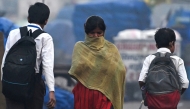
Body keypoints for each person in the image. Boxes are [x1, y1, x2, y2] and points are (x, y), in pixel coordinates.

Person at [1, 2, 56, 109]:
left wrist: (5, 82)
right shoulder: (46, 38)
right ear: (46, 20)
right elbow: (48, 66)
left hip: (12, 81)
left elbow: (5, 59)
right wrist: (51, 90)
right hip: (34, 85)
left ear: (28, 17)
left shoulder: (14, 33)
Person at [68, 15, 126, 109]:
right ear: (87, 33)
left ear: (103, 33)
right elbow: (76, 68)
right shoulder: (80, 47)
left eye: (99, 33)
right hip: (85, 95)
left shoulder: (111, 49)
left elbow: (120, 71)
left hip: (105, 96)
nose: (96, 36)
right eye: (92, 33)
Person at [138, 28, 189, 109]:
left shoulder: (149, 59)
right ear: (172, 43)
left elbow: (141, 80)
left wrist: (145, 93)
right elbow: (185, 83)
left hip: (153, 99)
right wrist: (177, 94)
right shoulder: (178, 60)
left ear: (156, 45)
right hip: (171, 99)